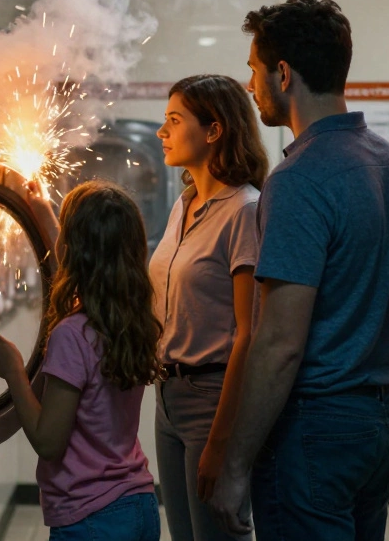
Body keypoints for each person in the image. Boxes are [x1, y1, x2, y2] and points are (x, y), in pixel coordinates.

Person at [206, 0, 389, 540]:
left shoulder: (301, 178)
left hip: (313, 430)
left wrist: (234, 467)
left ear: (283, 74)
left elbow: (279, 344)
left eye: (254, 70)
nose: (251, 87)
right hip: (378, 424)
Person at [0, 180, 164, 541]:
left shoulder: (70, 335)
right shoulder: (129, 321)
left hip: (90, 517)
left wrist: (15, 373)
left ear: (74, 250)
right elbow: (90, 272)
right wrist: (45, 214)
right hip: (138, 505)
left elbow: (48, 442)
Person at [150, 74, 268, 541]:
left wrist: (221, 445)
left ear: (214, 130)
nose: (163, 132)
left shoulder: (244, 210)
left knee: (218, 533)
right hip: (168, 398)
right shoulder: (183, 204)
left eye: (174, 121)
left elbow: (250, 334)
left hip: (213, 401)